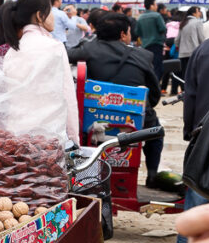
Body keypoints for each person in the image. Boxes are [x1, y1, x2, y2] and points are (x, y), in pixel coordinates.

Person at [67, 11, 164, 180]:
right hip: (134, 121)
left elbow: (66, 56)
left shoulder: (88, 49)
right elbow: (154, 95)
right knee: (156, 132)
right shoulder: (143, 56)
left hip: (95, 121)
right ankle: (152, 175)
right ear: (123, 34)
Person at [163, 31, 209, 243]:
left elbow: (191, 96)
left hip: (207, 143)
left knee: (197, 215)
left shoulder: (207, 48)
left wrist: (191, 134)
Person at [0, 0, 80, 144]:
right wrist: (75, 139)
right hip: (48, 137)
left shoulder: (12, 51)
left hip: (16, 135)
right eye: (51, 12)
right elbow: (68, 96)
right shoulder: (54, 47)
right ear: (39, 16)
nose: (54, 17)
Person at [134, 0, 167, 80]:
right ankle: (156, 88)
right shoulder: (157, 16)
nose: (156, 6)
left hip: (145, 46)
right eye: (155, 4)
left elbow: (137, 32)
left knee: (148, 66)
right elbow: (163, 28)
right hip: (156, 44)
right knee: (157, 67)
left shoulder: (140, 17)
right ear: (151, 6)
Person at [177, 6, 206, 87]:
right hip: (194, 52)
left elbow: (176, 40)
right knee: (194, 74)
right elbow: (201, 38)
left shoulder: (183, 22)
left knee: (185, 74)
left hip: (182, 53)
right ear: (194, 13)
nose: (200, 13)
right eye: (199, 11)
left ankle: (184, 91)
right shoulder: (198, 22)